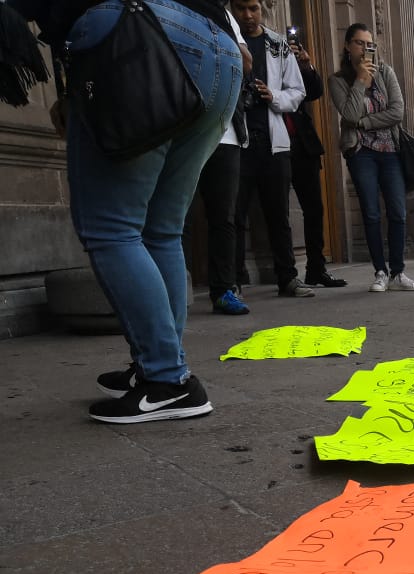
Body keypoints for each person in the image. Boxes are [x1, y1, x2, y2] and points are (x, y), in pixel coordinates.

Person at [8, 0, 241, 422]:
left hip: (135, 35)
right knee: (161, 230)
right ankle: (164, 368)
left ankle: (168, 379)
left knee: (112, 229)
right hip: (220, 48)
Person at [329, 24, 414, 293]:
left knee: (397, 212)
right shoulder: (338, 80)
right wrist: (359, 80)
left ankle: (398, 272)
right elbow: (348, 114)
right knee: (371, 213)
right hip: (362, 154)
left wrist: (364, 123)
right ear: (348, 46)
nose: (365, 49)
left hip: (390, 152)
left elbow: (397, 112)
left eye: (370, 44)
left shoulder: (386, 73)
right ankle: (380, 271)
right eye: (359, 43)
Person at [230, 0, 310, 298]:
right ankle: (233, 282)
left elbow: (298, 91)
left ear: (261, 9)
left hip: (273, 143)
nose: (248, 15)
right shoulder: (223, 39)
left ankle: (287, 278)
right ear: (231, 9)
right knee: (233, 216)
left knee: (278, 214)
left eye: (253, 8)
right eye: (240, 8)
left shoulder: (277, 44)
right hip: (236, 142)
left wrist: (272, 96)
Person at [194, 7, 251, 316]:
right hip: (180, 130)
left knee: (223, 217)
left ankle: (223, 289)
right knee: (173, 218)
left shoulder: (222, 14)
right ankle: (171, 291)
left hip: (223, 133)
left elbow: (246, 62)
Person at [286, 34, 347, 289]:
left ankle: (316, 269)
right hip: (267, 142)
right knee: (277, 212)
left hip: (303, 143)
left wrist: (305, 65)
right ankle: (285, 274)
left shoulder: (291, 59)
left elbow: (314, 92)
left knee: (314, 209)